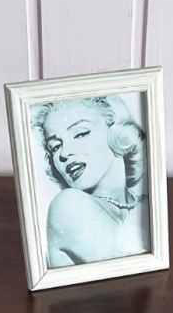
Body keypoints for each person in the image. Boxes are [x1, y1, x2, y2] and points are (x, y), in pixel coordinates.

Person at [31, 95, 150, 267]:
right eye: (55, 146)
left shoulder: (145, 203)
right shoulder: (68, 205)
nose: (64, 153)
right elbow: (126, 271)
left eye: (80, 134)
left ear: (115, 129)